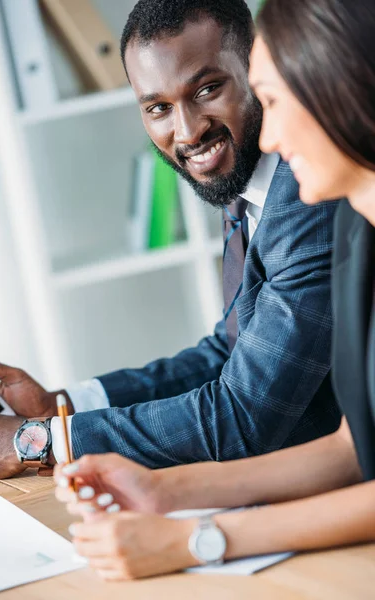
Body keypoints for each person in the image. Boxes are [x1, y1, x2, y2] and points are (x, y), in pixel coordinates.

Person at [54, 0, 375, 582]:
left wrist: (197, 539)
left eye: (274, 99)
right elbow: (354, 451)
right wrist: (158, 490)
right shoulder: (357, 234)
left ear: (344, 88)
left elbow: (251, 416)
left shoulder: (319, 216)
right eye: (157, 106)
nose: (270, 133)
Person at [0, 0, 339, 479]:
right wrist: (63, 405)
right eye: (158, 108)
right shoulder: (246, 186)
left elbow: (242, 417)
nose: (187, 131)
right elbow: (228, 351)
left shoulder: (305, 194)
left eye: (207, 89)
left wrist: (35, 441)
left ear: (258, 69)